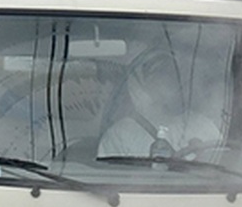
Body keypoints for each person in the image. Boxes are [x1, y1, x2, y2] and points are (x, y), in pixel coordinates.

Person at [97, 46, 226, 160]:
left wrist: (203, 159)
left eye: (171, 72)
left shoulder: (204, 125)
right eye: (157, 74)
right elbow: (109, 183)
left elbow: (223, 171)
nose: (169, 80)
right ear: (139, 84)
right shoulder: (120, 135)